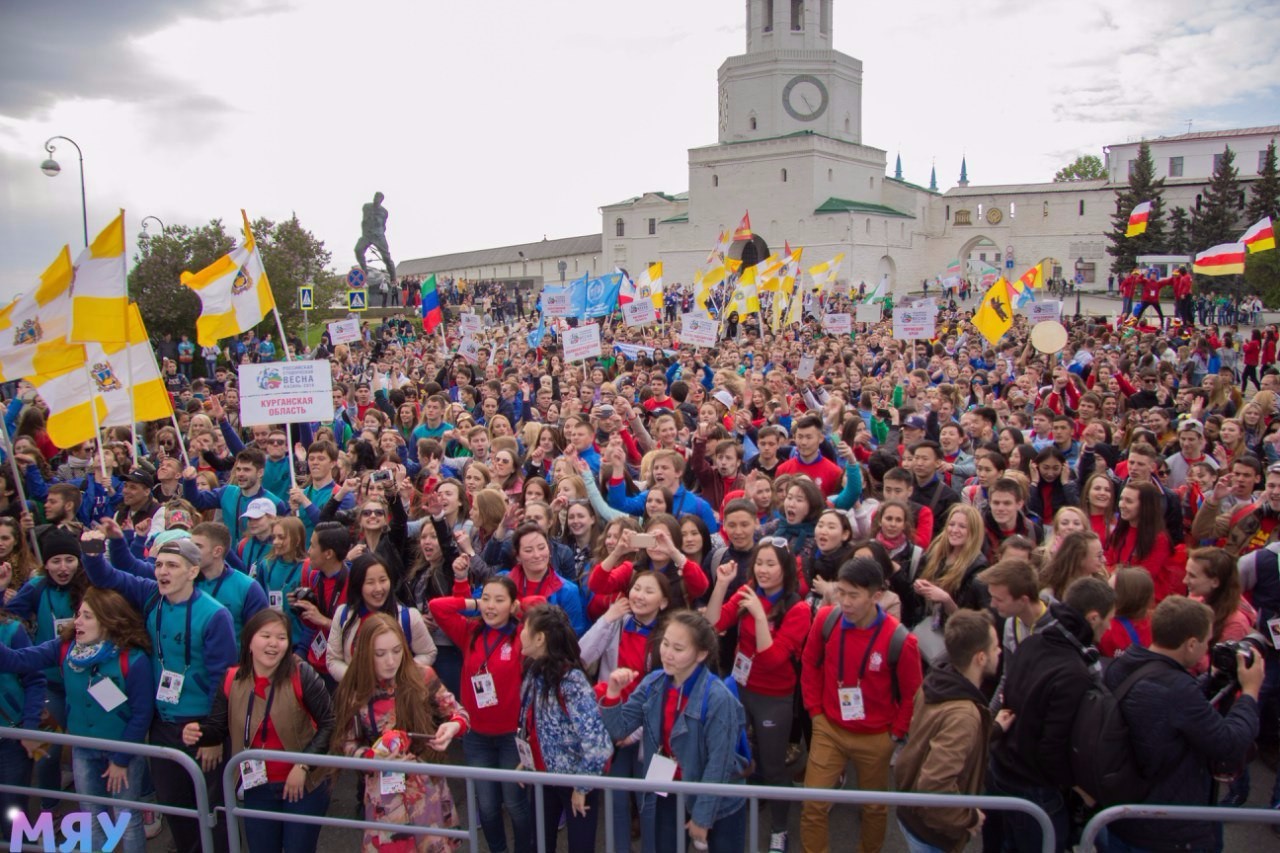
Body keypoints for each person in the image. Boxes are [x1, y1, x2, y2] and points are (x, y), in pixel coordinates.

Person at [80, 532, 237, 853]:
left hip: (199, 726)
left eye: (172, 565)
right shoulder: (151, 595)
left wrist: (213, 735)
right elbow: (105, 576)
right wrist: (95, 549)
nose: (162, 572)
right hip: (163, 724)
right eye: (159, 565)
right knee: (174, 806)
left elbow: (224, 679)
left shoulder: (215, 614)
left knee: (210, 810)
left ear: (193, 571)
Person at [1104, 595, 1263, 852]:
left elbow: (1170, 712)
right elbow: (1228, 743)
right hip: (1167, 830)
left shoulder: (1124, 665)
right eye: (1206, 642)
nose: (1207, 649)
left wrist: (1211, 680)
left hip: (1123, 816)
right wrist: (1250, 693)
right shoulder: (1177, 689)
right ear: (1190, 644)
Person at [0, 588, 150, 853]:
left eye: (87, 616)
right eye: (78, 614)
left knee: (126, 818)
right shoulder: (65, 647)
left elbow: (141, 714)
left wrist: (121, 760)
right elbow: (16, 660)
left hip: (124, 751)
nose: (77, 621)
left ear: (109, 620)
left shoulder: (133, 659)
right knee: (92, 816)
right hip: (83, 749)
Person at [184, 610, 335, 853]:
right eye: (266, 635)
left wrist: (304, 765)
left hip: (304, 784)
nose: (274, 643)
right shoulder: (232, 678)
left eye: (281, 637)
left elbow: (330, 723)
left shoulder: (301, 673)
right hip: (258, 784)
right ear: (249, 640)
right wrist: (198, 733)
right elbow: (218, 727)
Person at [799, 557, 923, 853]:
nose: (845, 601)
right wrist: (815, 712)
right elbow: (810, 663)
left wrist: (895, 734)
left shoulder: (900, 640)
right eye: (841, 592)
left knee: (874, 808)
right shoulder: (826, 619)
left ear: (876, 596)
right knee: (813, 804)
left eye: (853, 595)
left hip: (875, 736)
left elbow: (912, 694)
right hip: (829, 727)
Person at [602, 610, 749, 853]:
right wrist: (613, 693)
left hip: (718, 799)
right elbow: (619, 730)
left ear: (701, 654)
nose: (667, 654)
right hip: (669, 788)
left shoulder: (717, 698)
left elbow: (719, 763)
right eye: (665, 644)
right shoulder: (654, 682)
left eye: (678, 649)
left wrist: (702, 817)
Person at [986, 577, 1115, 853]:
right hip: (1034, 787)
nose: (1110, 626)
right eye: (1109, 619)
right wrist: (1081, 790)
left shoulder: (1033, 643)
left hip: (1003, 770)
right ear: (1093, 618)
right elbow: (1052, 748)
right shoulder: (1072, 672)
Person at [705, 540, 812, 852]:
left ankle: (779, 829)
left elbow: (773, 658)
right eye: (759, 564)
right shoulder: (747, 592)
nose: (763, 570)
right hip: (740, 686)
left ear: (786, 569)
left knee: (774, 765)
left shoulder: (798, 608)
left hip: (773, 695)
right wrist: (723, 584)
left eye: (771, 564)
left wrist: (760, 616)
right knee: (736, 751)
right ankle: (735, 807)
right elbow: (714, 622)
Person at [332, 612, 467, 853]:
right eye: (380, 654)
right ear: (364, 654)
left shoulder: (422, 675)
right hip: (383, 794)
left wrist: (453, 727)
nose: (391, 661)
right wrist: (373, 758)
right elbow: (346, 743)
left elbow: (459, 714)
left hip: (427, 788)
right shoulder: (353, 690)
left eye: (397, 650)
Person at [428, 578, 534, 853]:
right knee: (486, 806)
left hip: (512, 736)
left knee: (515, 804)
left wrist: (519, 608)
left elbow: (543, 611)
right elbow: (437, 607)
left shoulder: (522, 635)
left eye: (499, 600)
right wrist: (473, 604)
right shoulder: (470, 631)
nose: (490, 606)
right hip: (476, 736)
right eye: (486, 598)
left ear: (512, 604)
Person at [893, 609, 1011, 853]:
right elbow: (935, 784)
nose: (1000, 651)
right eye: (995, 647)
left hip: (911, 812)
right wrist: (968, 818)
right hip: (933, 833)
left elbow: (938, 735)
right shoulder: (963, 715)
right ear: (980, 658)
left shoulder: (936, 681)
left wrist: (994, 727)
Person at [578, 570, 671, 853]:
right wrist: (608, 618)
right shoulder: (617, 624)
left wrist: (636, 731)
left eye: (648, 591)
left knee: (653, 802)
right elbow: (582, 655)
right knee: (616, 800)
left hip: (656, 735)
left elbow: (669, 692)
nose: (639, 596)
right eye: (636, 588)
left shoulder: (670, 634)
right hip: (616, 727)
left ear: (664, 602)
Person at [515, 603, 612, 852]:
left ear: (540, 638)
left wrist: (582, 787)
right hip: (543, 775)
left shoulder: (572, 682)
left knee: (580, 846)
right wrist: (527, 757)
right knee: (539, 843)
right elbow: (533, 723)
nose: (520, 633)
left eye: (525, 627)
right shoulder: (533, 671)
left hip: (575, 781)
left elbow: (599, 745)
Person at [325, 554, 436, 682]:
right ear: (358, 585)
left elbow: (428, 653)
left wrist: (401, 674)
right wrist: (357, 680)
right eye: (370, 582)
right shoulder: (343, 614)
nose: (378, 588)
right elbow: (333, 659)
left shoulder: (409, 617)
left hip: (398, 696)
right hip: (357, 696)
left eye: (383, 580)